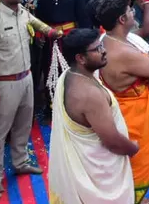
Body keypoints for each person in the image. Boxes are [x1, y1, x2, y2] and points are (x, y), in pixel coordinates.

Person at [91, 0, 149, 202]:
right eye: (129, 10)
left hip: (130, 111)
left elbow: (145, 62)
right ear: (122, 19)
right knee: (134, 164)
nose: (132, 11)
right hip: (136, 118)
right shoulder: (123, 52)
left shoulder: (108, 40)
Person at [47, 29, 136, 203]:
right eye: (97, 49)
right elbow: (112, 141)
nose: (104, 51)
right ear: (80, 58)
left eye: (101, 45)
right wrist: (134, 149)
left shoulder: (69, 75)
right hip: (98, 176)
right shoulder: (89, 94)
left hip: (87, 169)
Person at [0, 0, 59, 185]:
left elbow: (42, 27)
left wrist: (55, 32)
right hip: (5, 81)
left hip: (26, 78)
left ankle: (21, 162)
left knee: (23, 125)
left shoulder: (24, 13)